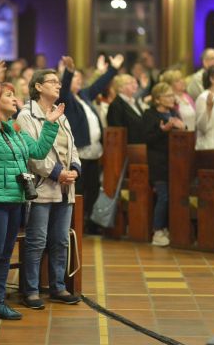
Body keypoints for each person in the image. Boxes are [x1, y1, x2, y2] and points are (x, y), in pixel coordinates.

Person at [0, 82, 63, 325]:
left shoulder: (17, 129)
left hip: (16, 197)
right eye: (8, 95)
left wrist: (50, 124)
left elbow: (39, 151)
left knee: (5, 254)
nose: (14, 99)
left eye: (13, 94)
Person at [16, 69, 81, 310]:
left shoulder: (60, 114)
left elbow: (72, 146)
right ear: (38, 87)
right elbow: (32, 154)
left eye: (58, 82)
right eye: (52, 81)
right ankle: (31, 290)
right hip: (43, 186)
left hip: (65, 187)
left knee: (61, 240)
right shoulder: (26, 115)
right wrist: (57, 173)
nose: (58, 85)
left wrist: (75, 168)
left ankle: (58, 286)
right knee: (37, 241)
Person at [58, 54, 122, 234]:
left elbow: (98, 85)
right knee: (78, 190)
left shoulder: (83, 95)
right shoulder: (65, 99)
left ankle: (89, 223)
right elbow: (64, 91)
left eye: (79, 78)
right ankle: (75, 225)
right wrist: (69, 72)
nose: (78, 80)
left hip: (94, 152)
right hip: (79, 153)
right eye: (74, 78)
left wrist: (113, 69)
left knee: (93, 189)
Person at [142, 82, 186, 247]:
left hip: (176, 163)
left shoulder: (174, 113)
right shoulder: (150, 114)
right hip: (158, 163)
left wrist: (183, 127)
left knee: (174, 196)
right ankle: (157, 230)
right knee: (164, 196)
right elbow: (147, 138)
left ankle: (168, 227)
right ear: (158, 99)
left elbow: (183, 133)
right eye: (168, 95)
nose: (171, 98)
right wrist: (163, 130)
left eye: (171, 95)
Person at [106, 74, 145, 144]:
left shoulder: (134, 102)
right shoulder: (116, 105)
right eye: (130, 83)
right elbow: (117, 131)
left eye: (135, 82)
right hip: (128, 147)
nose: (135, 85)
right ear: (120, 88)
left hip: (140, 144)